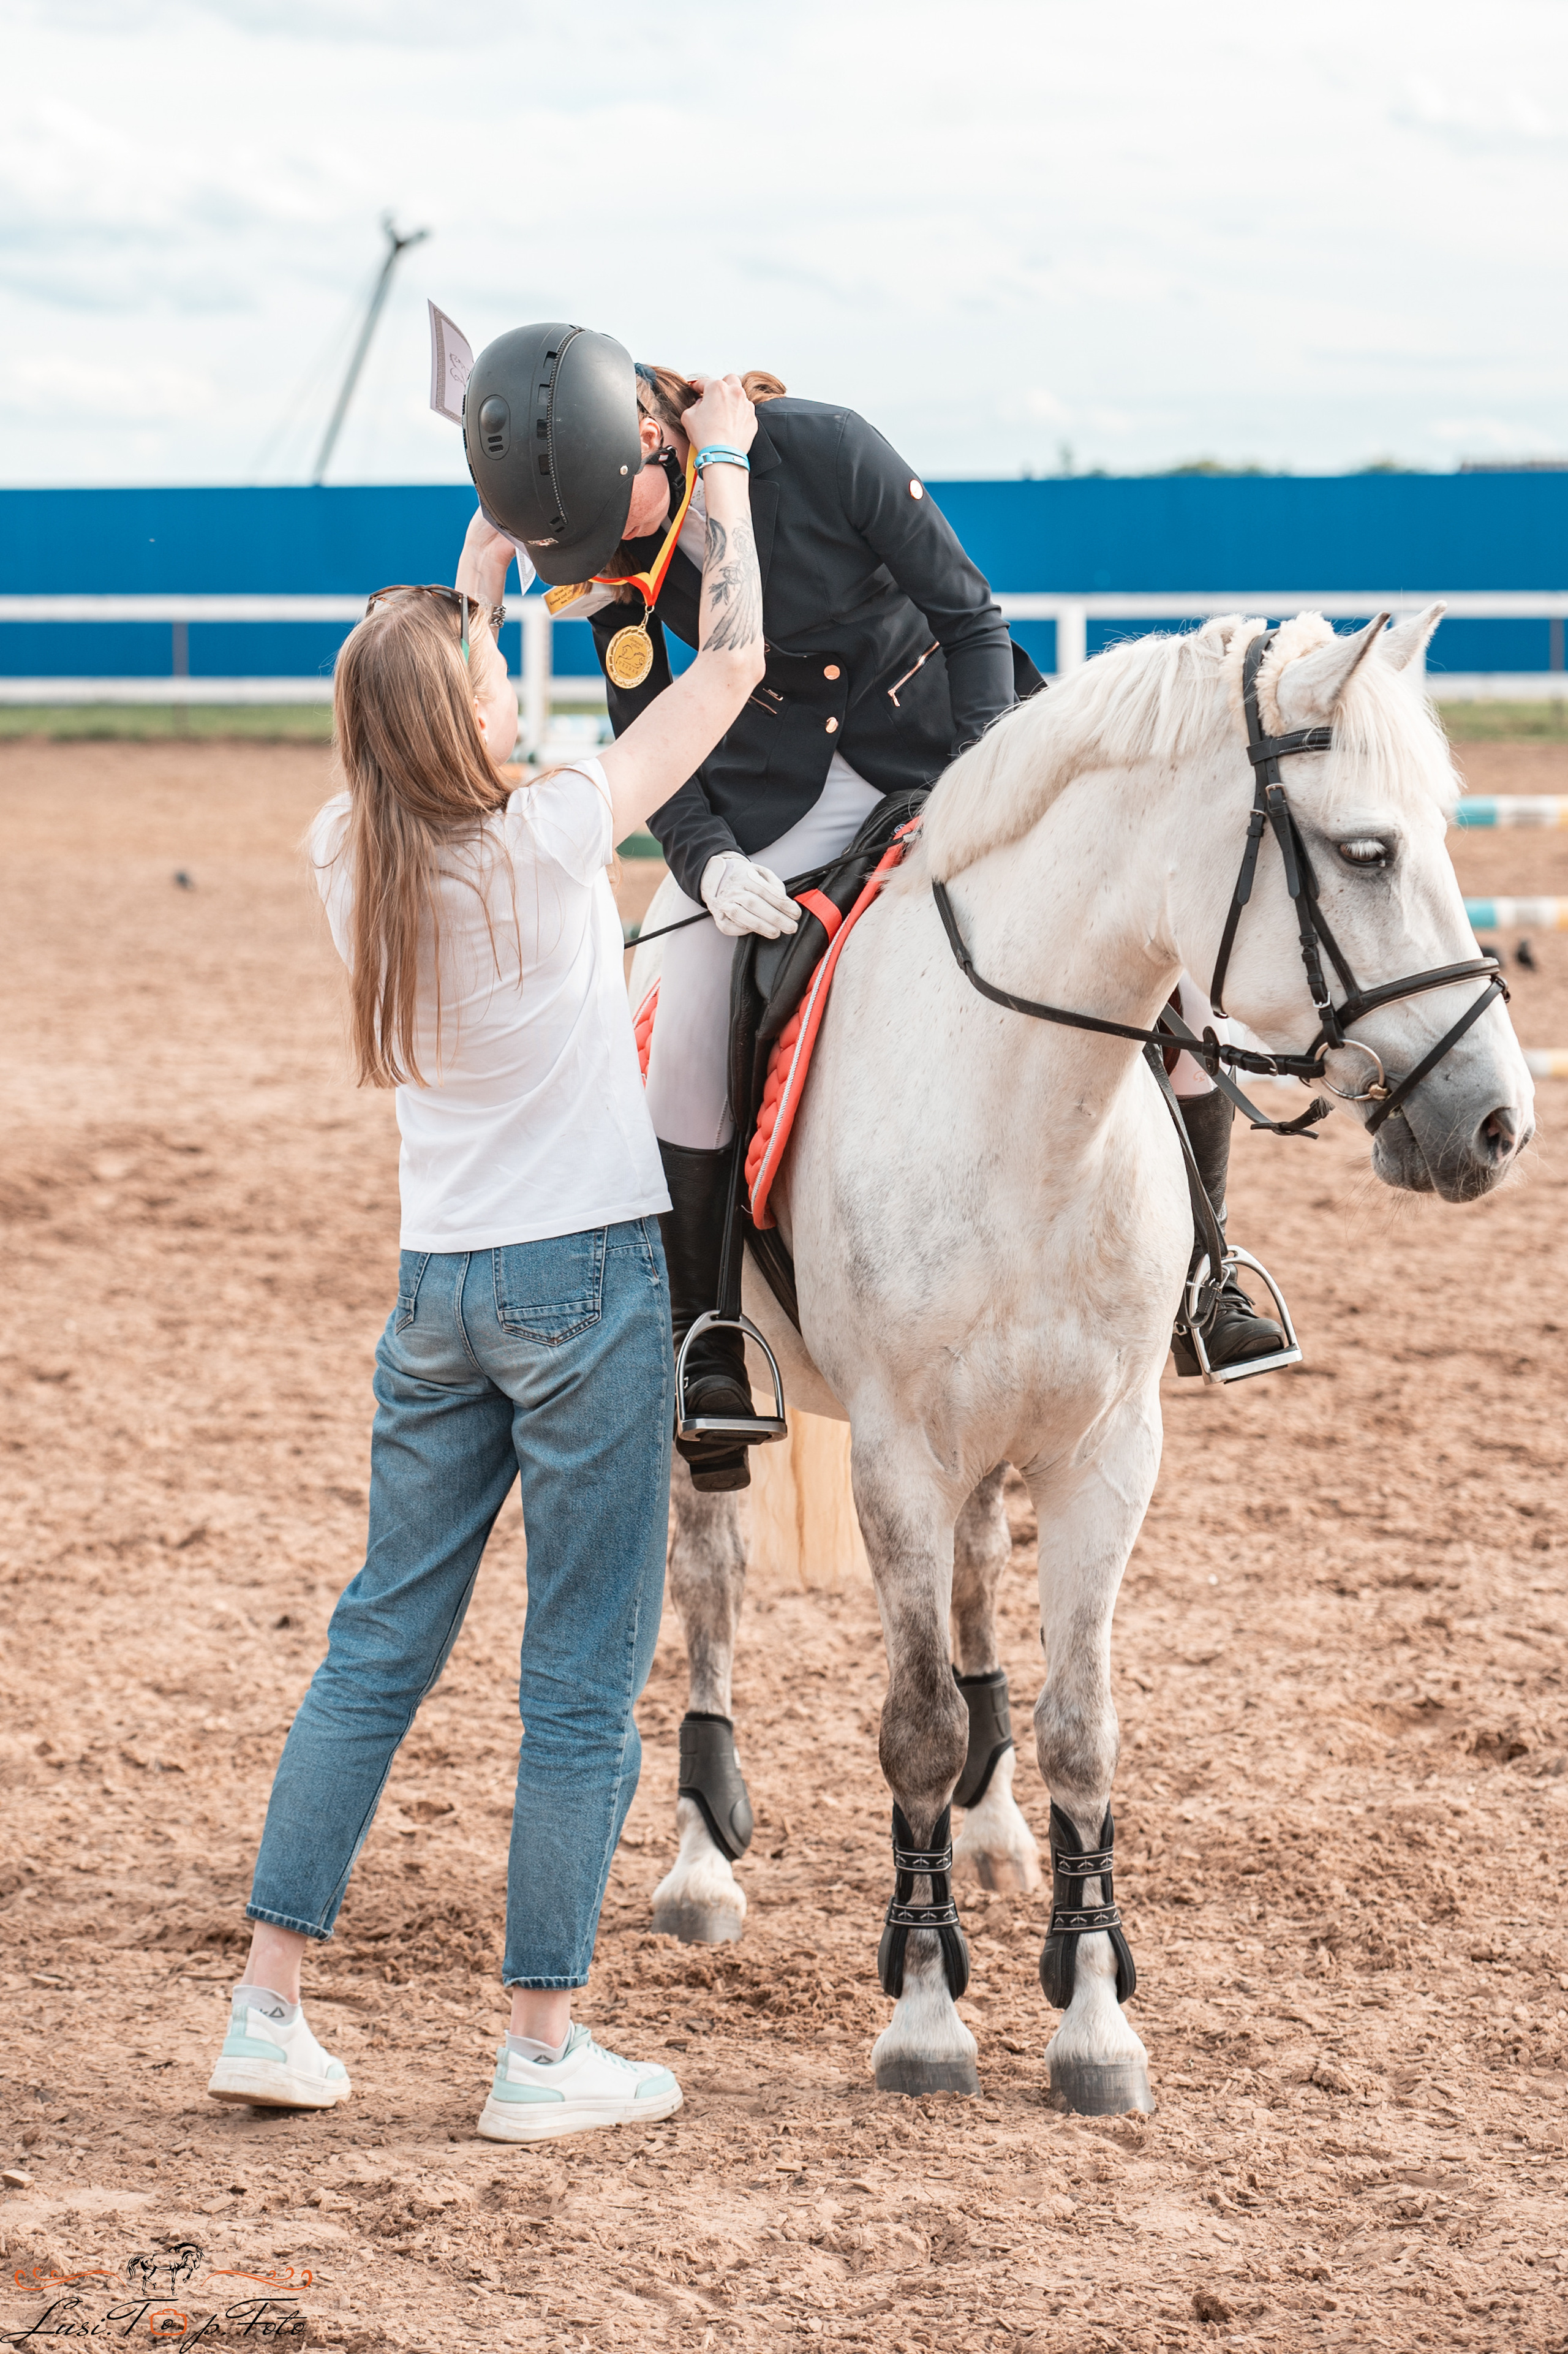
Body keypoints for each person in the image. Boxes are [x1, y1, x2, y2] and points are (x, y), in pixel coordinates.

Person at [206, 361, 764, 2145]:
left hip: (435, 1289)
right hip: (582, 1288)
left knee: (376, 1644)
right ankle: (540, 2047)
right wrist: (728, 469)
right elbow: (733, 670)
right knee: (582, 1671)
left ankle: (268, 2006)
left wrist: (490, 535)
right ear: (463, 713)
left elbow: (436, 679)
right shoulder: (542, 836)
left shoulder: (340, 850)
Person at [545, 364, 1286, 1477]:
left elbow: (970, 616)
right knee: (688, 1015)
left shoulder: (826, 447)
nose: (608, 553)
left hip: (953, 744)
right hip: (772, 806)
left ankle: (1205, 1273)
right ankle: (711, 1344)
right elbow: (655, 747)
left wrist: (989, 781)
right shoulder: (611, 560)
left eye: (616, 519)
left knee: (1167, 949)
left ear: (653, 436)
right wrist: (706, 868)